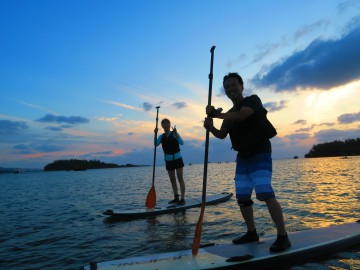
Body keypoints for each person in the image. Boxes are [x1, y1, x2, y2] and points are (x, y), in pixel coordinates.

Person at [203, 72, 291, 252]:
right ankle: (251, 232)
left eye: (234, 85)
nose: (231, 89)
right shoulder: (228, 114)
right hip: (242, 156)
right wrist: (210, 126)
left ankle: (283, 236)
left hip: (260, 151)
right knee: (242, 197)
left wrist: (217, 115)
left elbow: (243, 116)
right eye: (227, 87)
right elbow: (221, 135)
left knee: (265, 193)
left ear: (242, 86)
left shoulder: (252, 100)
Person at [155, 118, 186, 205]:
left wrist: (177, 135)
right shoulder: (161, 136)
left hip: (177, 159)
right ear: (162, 126)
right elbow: (155, 144)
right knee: (172, 180)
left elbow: (182, 142)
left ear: (170, 125)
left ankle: (182, 199)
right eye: (164, 124)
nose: (166, 126)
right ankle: (176, 197)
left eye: (168, 124)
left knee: (180, 179)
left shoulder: (174, 133)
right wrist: (155, 134)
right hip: (168, 161)